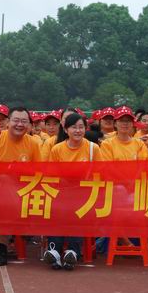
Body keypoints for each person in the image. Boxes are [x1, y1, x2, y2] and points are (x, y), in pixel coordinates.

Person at [0, 106, 42, 266]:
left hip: (23, 192)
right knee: (4, 182)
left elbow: (38, 172)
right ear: (8, 122)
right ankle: (8, 239)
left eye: (24, 121)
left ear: (29, 125)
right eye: (16, 120)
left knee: (7, 197)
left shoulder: (33, 144)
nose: (20, 124)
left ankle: (2, 246)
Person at [45, 113, 101, 270]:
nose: (78, 130)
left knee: (77, 208)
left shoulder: (93, 148)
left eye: (81, 127)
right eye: (74, 127)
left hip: (85, 194)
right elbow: (52, 175)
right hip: (62, 193)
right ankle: (55, 251)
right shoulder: (57, 149)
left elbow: (100, 173)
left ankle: (72, 251)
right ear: (66, 129)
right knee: (59, 207)